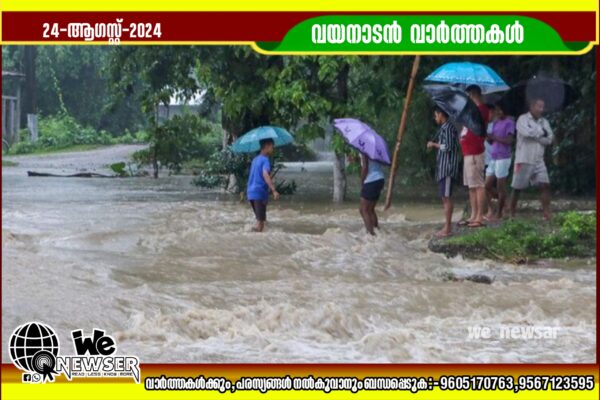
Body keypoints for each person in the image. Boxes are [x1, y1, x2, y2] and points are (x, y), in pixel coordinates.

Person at [509, 98, 554, 219]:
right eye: (539, 107)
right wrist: (541, 132)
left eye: (543, 107)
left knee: (545, 185)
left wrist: (537, 134)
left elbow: (549, 139)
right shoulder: (522, 119)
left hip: (539, 159)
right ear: (532, 107)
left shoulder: (544, 122)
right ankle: (511, 213)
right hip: (524, 158)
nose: (541, 109)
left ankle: (547, 213)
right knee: (517, 187)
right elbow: (526, 133)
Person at [458, 84, 489, 228]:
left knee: (478, 184)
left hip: (475, 151)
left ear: (472, 94)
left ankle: (480, 216)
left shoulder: (481, 109)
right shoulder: (471, 111)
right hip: (467, 151)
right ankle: (473, 214)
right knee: (471, 186)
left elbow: (478, 126)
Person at [427, 106, 460, 237]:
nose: (435, 118)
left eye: (436, 115)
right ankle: (447, 226)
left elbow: (449, 147)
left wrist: (434, 145)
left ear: (441, 114)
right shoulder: (444, 128)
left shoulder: (448, 128)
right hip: (443, 168)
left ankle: (448, 228)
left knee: (446, 197)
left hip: (447, 168)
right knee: (444, 197)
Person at [485, 102, 515, 220]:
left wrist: (494, 137)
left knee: (500, 186)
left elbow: (509, 140)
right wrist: (488, 137)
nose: (498, 113)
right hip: (494, 156)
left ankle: (499, 213)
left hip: (503, 157)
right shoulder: (496, 123)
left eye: (500, 110)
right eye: (497, 110)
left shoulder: (509, 122)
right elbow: (492, 141)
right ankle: (502, 204)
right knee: (487, 185)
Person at [247, 138, 280, 232]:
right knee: (260, 224)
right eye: (272, 147)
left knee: (261, 220)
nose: (273, 149)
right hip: (259, 192)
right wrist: (273, 190)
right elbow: (265, 174)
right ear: (266, 146)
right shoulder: (265, 160)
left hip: (251, 193)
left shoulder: (255, 160)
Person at [359, 153, 385, 235]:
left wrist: (362, 181)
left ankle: (370, 234)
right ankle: (377, 231)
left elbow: (365, 167)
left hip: (371, 180)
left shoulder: (365, 151)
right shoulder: (375, 150)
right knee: (370, 209)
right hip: (380, 179)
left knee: (363, 210)